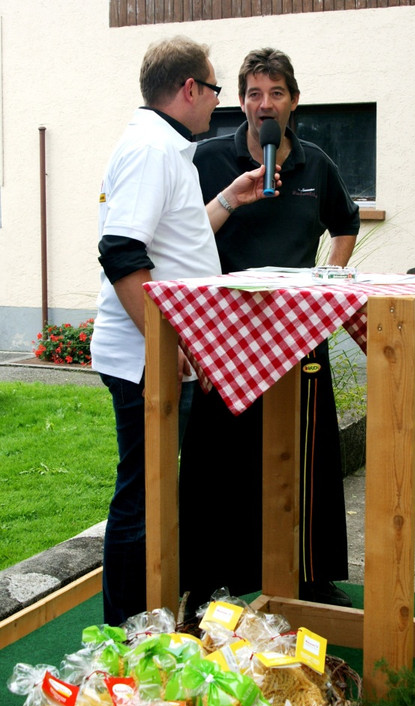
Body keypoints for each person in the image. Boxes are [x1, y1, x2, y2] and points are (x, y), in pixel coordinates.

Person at [91, 36, 280, 625]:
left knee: (154, 492)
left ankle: (148, 621)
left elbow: (175, 238)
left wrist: (228, 198)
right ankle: (127, 634)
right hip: (146, 359)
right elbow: (121, 250)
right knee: (142, 496)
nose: (219, 102)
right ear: (190, 88)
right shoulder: (152, 149)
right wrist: (162, 341)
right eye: (216, 89)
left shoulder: (164, 148)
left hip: (158, 353)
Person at [178, 47, 360, 613]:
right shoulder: (208, 159)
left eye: (276, 93)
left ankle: (311, 575)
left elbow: (346, 223)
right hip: (225, 338)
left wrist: (329, 280)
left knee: (310, 456)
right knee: (218, 462)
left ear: (294, 101)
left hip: (301, 335)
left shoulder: (316, 164)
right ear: (240, 102)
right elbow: (180, 237)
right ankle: (209, 583)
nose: (265, 104)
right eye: (255, 93)